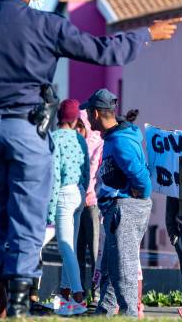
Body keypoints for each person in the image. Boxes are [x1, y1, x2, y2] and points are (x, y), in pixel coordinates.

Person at [0, 0, 182, 317]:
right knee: (28, 216)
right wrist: (145, 35)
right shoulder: (47, 25)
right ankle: (17, 306)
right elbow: (103, 51)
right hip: (27, 132)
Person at [80, 89, 152, 318]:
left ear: (95, 114)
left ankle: (129, 314)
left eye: (88, 114)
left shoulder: (120, 142)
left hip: (125, 207)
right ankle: (106, 310)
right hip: (118, 206)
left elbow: (143, 180)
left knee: (123, 265)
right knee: (111, 264)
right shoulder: (113, 138)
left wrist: (135, 196)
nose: (87, 119)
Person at [47, 99, 89, 315]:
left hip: (63, 194)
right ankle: (64, 297)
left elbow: (54, 176)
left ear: (58, 117)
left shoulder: (53, 139)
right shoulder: (80, 140)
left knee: (66, 247)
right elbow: (87, 171)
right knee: (70, 246)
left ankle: (79, 297)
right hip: (79, 193)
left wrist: (50, 209)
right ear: (75, 120)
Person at [75, 111, 102, 305]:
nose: (78, 130)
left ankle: (97, 291)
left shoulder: (99, 143)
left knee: (94, 251)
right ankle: (80, 291)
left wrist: (89, 193)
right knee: (77, 248)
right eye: (76, 125)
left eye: (81, 126)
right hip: (76, 202)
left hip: (93, 203)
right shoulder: (75, 144)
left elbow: (98, 174)